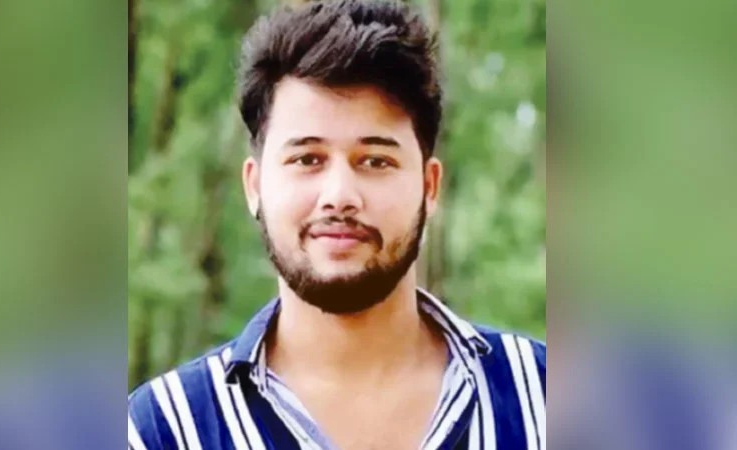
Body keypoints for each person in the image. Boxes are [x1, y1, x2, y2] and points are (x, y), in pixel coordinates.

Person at [128, 1, 545, 449]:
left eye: (375, 161)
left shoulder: (548, 400)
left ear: (429, 186)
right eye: (307, 159)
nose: (340, 195)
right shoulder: (161, 431)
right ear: (254, 186)